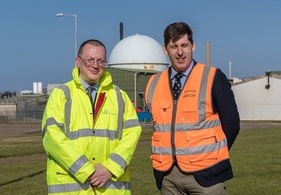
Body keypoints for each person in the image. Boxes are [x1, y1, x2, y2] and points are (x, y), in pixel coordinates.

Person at [144, 22, 240, 195]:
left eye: (184, 45)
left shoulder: (212, 77)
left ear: (192, 45)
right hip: (168, 177)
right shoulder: (153, 83)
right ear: (165, 49)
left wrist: (212, 157)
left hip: (207, 176)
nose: (180, 52)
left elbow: (232, 124)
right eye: (174, 46)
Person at [42, 39, 142, 195]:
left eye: (101, 61)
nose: (95, 65)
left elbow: (132, 134)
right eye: (90, 60)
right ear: (78, 61)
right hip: (72, 189)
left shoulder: (119, 97)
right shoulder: (61, 95)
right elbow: (52, 137)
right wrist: (85, 170)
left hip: (110, 188)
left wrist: (111, 168)